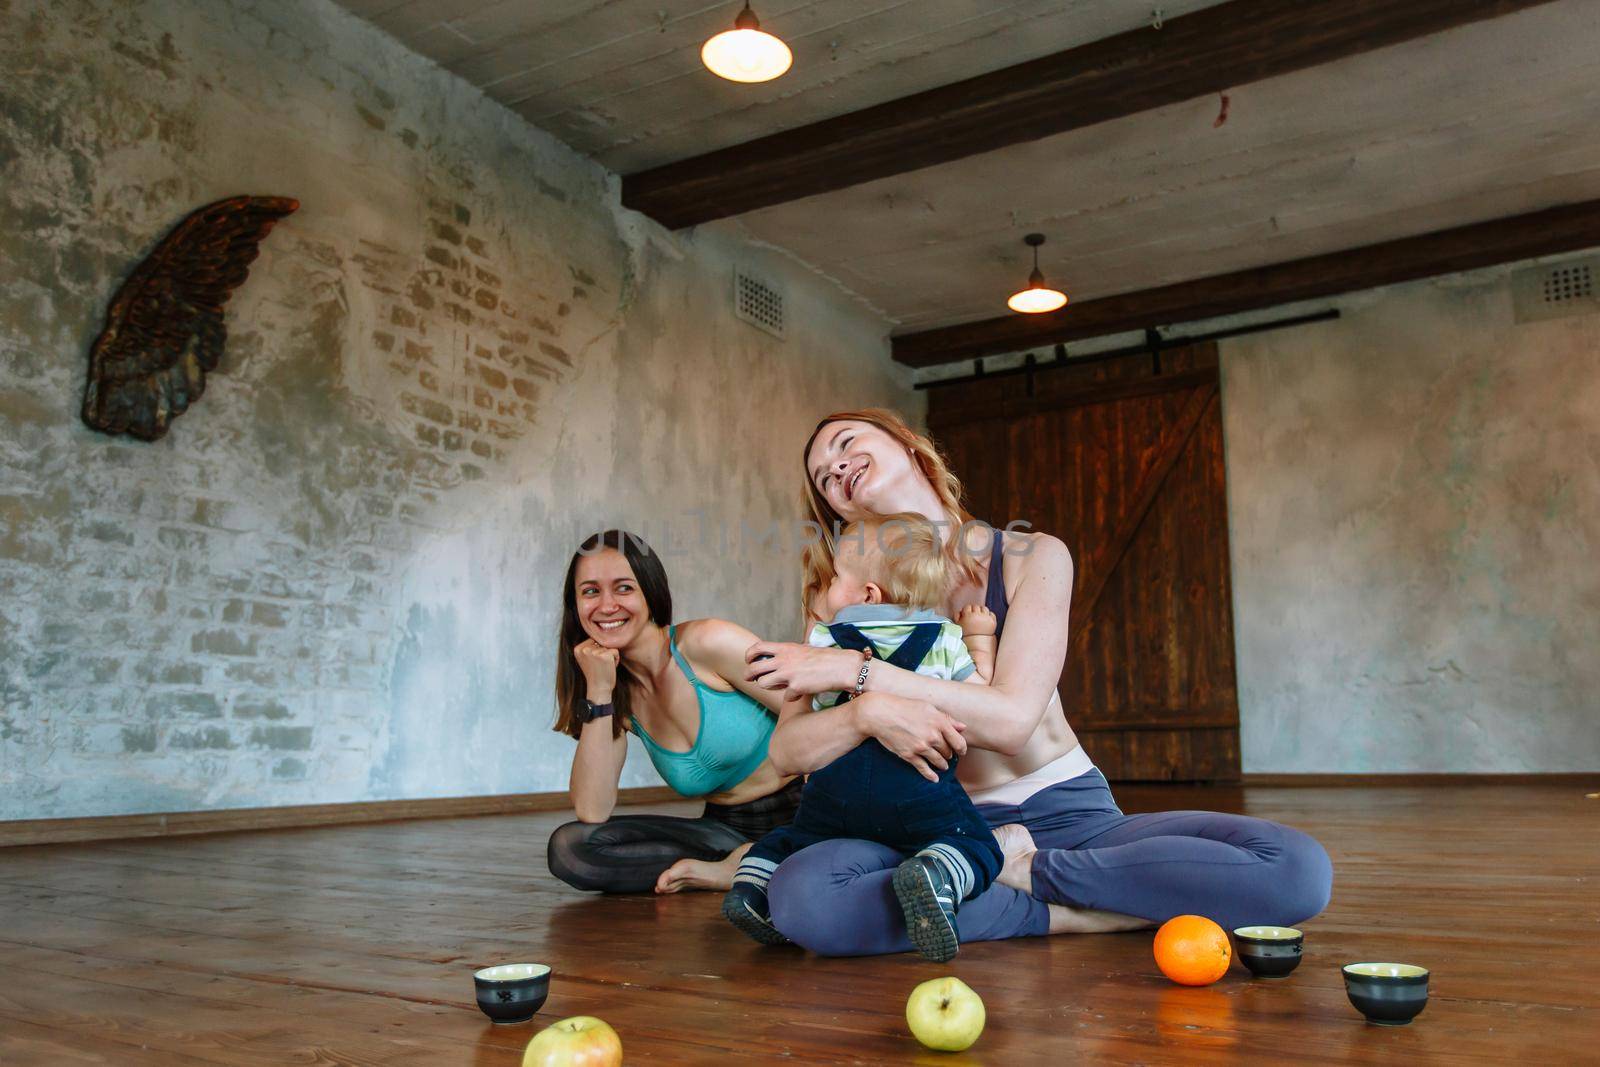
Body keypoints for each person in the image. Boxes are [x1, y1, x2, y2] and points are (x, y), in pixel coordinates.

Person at [743, 409, 1333, 957]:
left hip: (1069, 816)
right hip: (928, 834)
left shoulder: (1029, 556)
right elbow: (790, 752)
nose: (836, 466)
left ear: (911, 448)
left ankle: (1023, 879)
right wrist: (861, 714)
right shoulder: (841, 602)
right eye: (824, 476)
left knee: (1296, 868)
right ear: (836, 513)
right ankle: (1080, 913)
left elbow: (1010, 720)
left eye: (847, 444)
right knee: (802, 898)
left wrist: (859, 673)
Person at [721, 514, 1002, 961]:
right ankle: (936, 871)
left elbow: (797, 719)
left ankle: (753, 887)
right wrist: (980, 640)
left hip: (835, 793)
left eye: (833, 578)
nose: (826, 588)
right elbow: (980, 698)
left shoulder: (820, 643)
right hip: (916, 789)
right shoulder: (945, 639)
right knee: (976, 843)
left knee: (794, 836)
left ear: (867, 593)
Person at [546, 530, 799, 895]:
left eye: (623, 588)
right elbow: (591, 810)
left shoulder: (708, 643)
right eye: (590, 591)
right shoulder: (617, 694)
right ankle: (748, 864)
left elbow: (817, 714)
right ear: (575, 605)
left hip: (808, 810)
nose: (606, 605)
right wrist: (599, 691)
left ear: (650, 590)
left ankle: (755, 866)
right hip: (726, 832)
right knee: (571, 848)